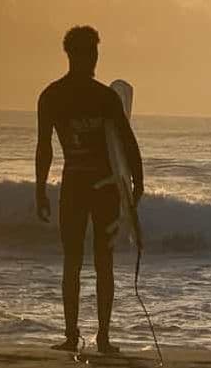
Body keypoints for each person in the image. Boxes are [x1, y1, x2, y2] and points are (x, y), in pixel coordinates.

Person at [35, 25, 144, 354]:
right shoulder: (58, 97)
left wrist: (138, 181)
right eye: (89, 53)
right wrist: (40, 190)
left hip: (99, 186)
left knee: (100, 261)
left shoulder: (95, 97)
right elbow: (44, 147)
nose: (94, 59)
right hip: (83, 185)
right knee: (75, 261)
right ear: (73, 55)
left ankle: (101, 337)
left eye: (95, 53)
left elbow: (127, 140)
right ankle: (74, 335)